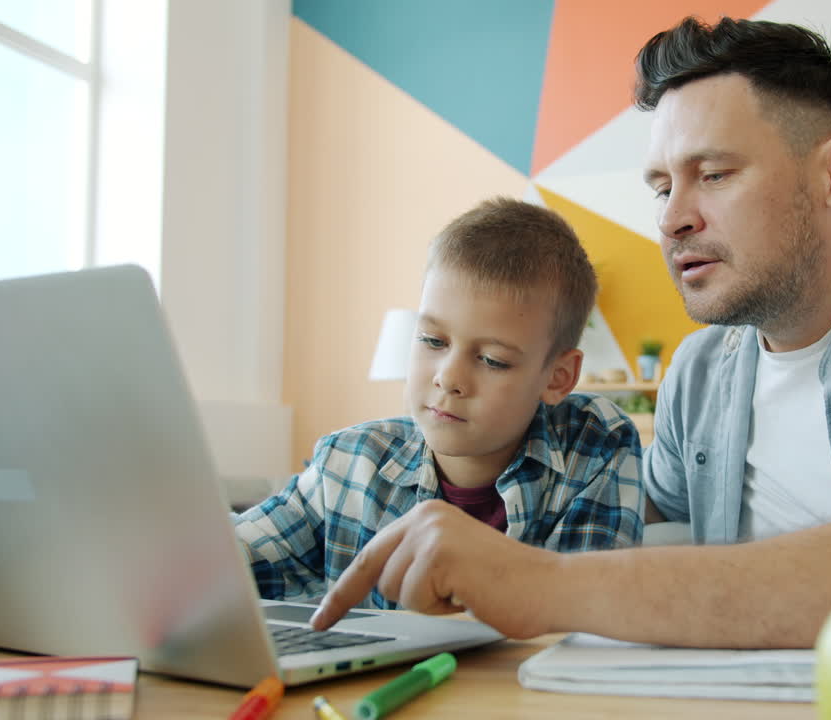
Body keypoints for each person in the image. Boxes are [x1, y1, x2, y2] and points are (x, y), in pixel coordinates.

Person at [310, 17, 831, 643]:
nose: (672, 220)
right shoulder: (702, 371)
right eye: (659, 186)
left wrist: (546, 584)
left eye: (712, 174)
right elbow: (628, 530)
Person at [236, 197, 644, 609]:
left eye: (492, 360)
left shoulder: (593, 446)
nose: (448, 377)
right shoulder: (346, 466)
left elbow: (588, 610)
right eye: (433, 340)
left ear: (558, 377)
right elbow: (227, 562)